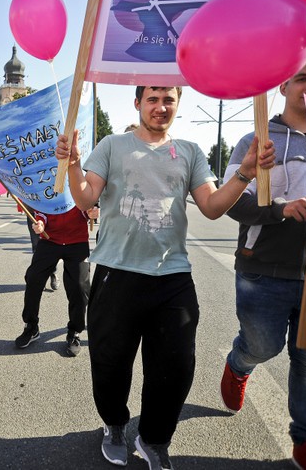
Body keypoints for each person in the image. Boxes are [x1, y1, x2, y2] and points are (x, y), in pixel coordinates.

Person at [55, 85, 274, 469]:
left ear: (178, 104)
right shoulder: (112, 145)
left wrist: (244, 174)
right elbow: (86, 199)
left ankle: (154, 438)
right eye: (152, 99)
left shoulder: (189, 151)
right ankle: (115, 425)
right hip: (116, 274)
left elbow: (210, 206)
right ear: (137, 103)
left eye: (168, 99)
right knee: (110, 364)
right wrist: (73, 164)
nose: (160, 107)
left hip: (172, 277)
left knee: (175, 367)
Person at [220, 53, 306, 470]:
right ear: (283, 86)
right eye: (301, 78)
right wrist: (278, 208)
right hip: (264, 271)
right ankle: (240, 363)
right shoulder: (258, 138)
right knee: (263, 345)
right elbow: (230, 203)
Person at [15, 205, 98, 356]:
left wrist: (92, 212)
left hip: (77, 241)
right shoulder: (47, 181)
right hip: (49, 239)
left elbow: (89, 205)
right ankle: (31, 326)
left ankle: (75, 331)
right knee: (33, 278)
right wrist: (40, 221)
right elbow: (41, 209)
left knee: (80, 287)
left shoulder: (82, 181)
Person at [17, 202, 59, 291]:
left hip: (50, 211)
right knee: (37, 246)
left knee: (52, 244)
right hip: (33, 213)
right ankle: (39, 278)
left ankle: (53, 273)